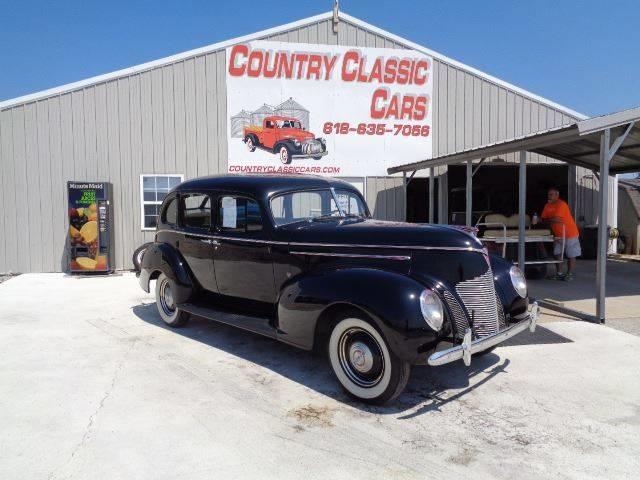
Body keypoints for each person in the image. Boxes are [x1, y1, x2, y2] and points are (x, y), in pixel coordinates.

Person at [533, 187, 581, 281]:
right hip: (558, 234)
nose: (549, 196)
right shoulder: (547, 205)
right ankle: (559, 273)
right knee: (557, 253)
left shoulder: (561, 204)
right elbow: (543, 219)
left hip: (569, 233)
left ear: (557, 195)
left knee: (571, 254)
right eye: (548, 194)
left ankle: (569, 274)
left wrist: (542, 220)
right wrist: (538, 220)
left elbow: (557, 219)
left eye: (551, 194)